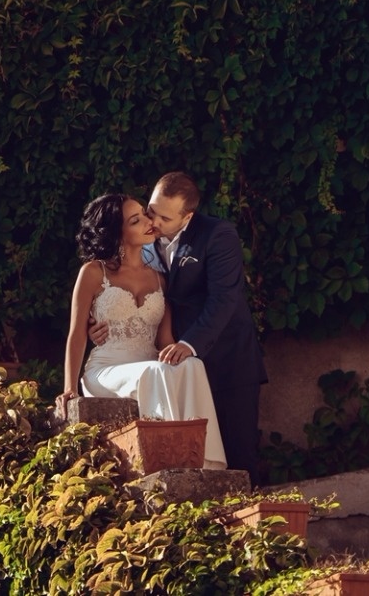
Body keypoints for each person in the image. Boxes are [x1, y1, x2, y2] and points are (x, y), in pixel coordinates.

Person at [56, 192, 227, 470]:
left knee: (192, 365)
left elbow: (165, 341)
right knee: (156, 372)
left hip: (148, 363)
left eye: (144, 215)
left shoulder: (159, 279)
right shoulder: (93, 272)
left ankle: (204, 461)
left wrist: (180, 356)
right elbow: (76, 333)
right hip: (107, 368)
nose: (149, 222)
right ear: (118, 233)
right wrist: (69, 388)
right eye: (136, 220)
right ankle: (168, 461)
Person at [139, 171, 267, 480]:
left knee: (239, 453)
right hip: (175, 373)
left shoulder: (217, 235)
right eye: (152, 211)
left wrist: (189, 343)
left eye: (165, 218)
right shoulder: (141, 239)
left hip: (227, 361)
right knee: (192, 458)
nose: (154, 222)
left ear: (187, 217)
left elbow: (224, 298)